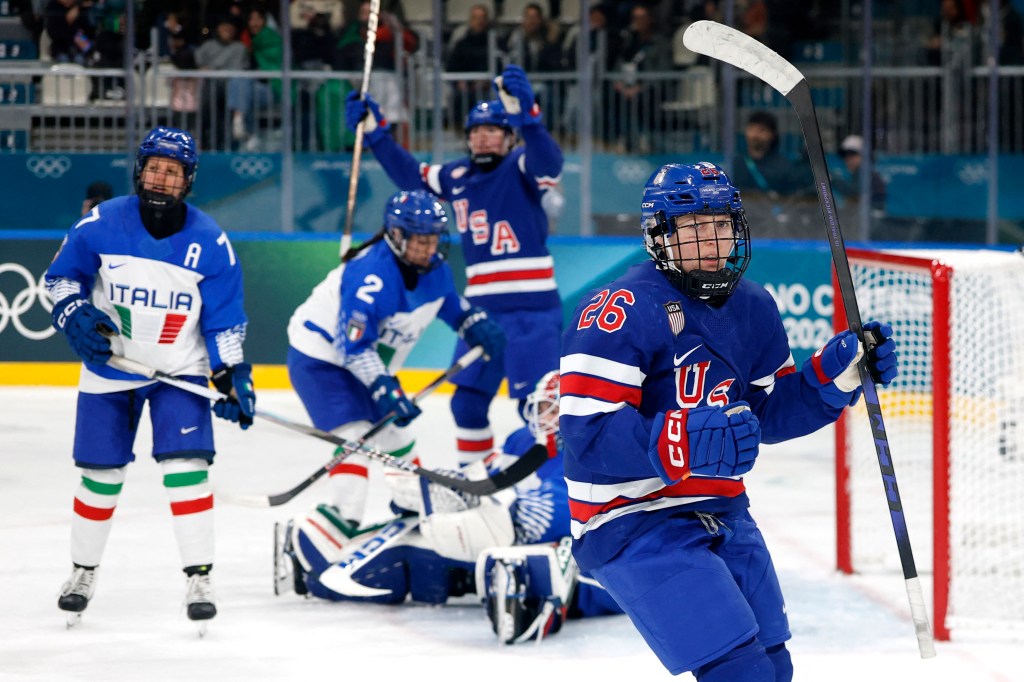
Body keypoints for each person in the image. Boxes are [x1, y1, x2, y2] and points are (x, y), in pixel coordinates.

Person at [559, 161, 899, 680]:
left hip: (724, 510)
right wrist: (683, 440)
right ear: (659, 235)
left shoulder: (755, 306)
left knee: (774, 667)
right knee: (741, 674)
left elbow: (763, 414)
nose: (712, 239)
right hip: (631, 518)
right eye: (695, 227)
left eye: (721, 224)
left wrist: (834, 380)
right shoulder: (619, 308)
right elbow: (586, 437)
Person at [44, 126, 256, 632]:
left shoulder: (211, 242)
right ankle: (81, 572)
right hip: (110, 366)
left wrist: (232, 377)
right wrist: (73, 313)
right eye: (155, 168)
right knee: (101, 475)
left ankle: (199, 577)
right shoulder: (101, 223)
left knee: (187, 467)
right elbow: (58, 279)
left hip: (179, 373)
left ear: (188, 181)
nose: (162, 179)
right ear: (140, 171)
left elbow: (225, 322)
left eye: (174, 171)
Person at [274, 371, 623, 644]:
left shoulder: (597, 452)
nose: (543, 415)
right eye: (542, 406)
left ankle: (534, 591)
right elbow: (482, 478)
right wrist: (438, 489)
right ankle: (327, 561)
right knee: (425, 533)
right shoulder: (524, 440)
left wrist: (495, 505)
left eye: (553, 407)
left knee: (564, 556)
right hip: (501, 532)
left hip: (557, 537)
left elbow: (567, 509)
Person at [344, 64, 564, 467]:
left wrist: (529, 119)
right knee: (466, 404)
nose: (482, 136)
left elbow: (549, 163)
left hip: (532, 312)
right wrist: (376, 134)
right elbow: (411, 176)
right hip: (482, 310)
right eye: (475, 130)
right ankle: (476, 488)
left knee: (538, 410)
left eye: (492, 129)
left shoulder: (520, 165)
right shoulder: (457, 175)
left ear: (508, 136)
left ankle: (549, 495)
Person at [285, 189, 505, 526]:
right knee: (356, 436)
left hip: (366, 365)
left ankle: (414, 507)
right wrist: (385, 387)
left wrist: (472, 322)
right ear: (397, 235)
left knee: (398, 442)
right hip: (321, 360)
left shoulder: (435, 269)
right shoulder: (370, 276)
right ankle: (342, 522)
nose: (430, 248)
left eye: (434, 239)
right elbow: (353, 348)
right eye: (421, 240)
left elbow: (449, 305)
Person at [833, 134, 887, 216]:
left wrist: (830, 178)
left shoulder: (866, 173)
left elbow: (853, 191)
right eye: (845, 156)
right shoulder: (860, 173)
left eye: (852, 155)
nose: (848, 160)